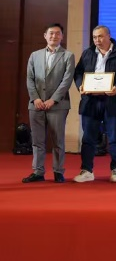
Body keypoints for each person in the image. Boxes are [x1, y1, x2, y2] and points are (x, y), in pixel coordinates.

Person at [73, 25, 116, 183]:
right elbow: (78, 72)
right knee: (88, 137)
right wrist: (80, 85)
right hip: (91, 101)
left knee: (114, 137)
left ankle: (115, 170)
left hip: (114, 100)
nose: (97, 40)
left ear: (108, 36)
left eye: (100, 36)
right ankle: (87, 170)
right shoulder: (87, 53)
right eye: (94, 37)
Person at [23, 23, 76, 183]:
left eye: (58, 33)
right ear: (45, 36)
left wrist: (53, 99)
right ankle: (38, 171)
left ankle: (58, 171)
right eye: (51, 33)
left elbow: (67, 80)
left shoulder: (68, 55)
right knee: (37, 140)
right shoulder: (35, 55)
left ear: (62, 36)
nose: (54, 36)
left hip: (58, 105)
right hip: (36, 104)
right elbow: (30, 78)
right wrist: (36, 98)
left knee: (58, 140)